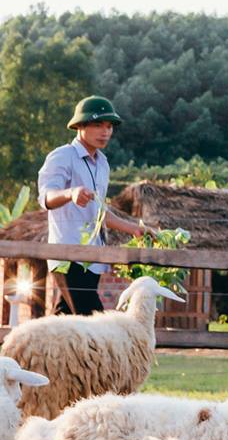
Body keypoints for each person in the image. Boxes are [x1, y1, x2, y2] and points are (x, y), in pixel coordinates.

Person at [38, 96, 154, 315]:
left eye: (109, 126)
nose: (106, 132)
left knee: (65, 322)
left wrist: (135, 229)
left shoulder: (103, 163)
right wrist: (71, 193)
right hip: (68, 256)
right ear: (80, 126)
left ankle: (30, 350)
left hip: (93, 258)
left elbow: (100, 212)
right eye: (98, 125)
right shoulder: (62, 156)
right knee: (92, 320)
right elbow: (46, 197)